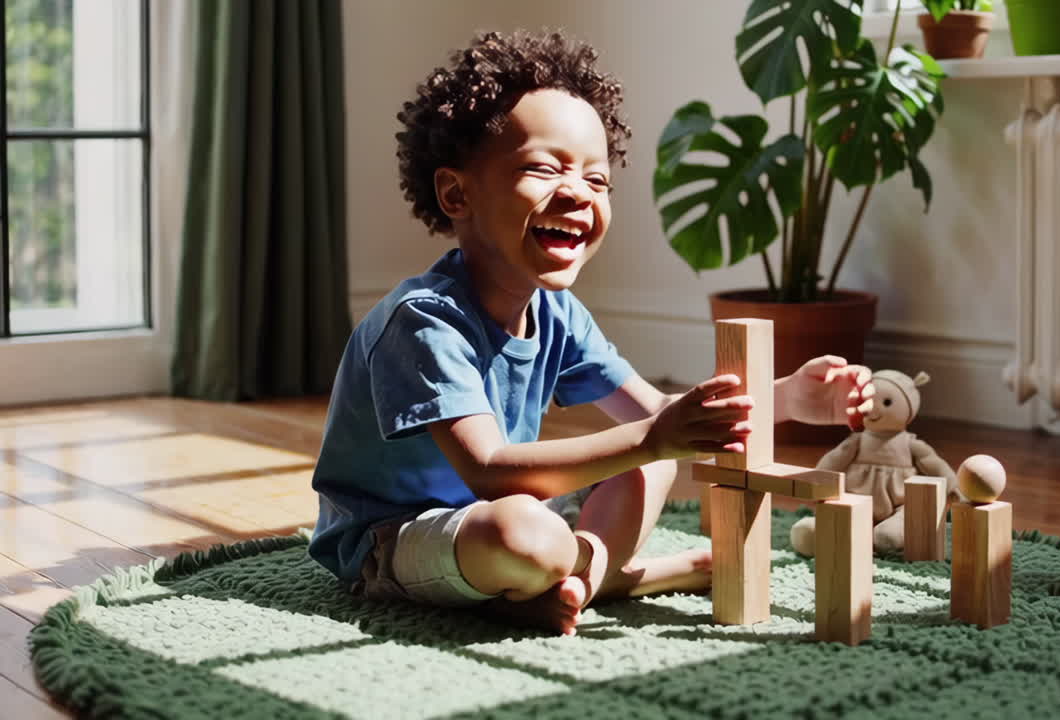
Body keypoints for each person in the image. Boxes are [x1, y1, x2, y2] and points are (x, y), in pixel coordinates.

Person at [308, 29, 873, 636]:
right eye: (544, 169)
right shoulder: (423, 321)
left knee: (646, 460)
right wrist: (655, 438)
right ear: (456, 193)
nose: (577, 192)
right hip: (394, 538)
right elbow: (490, 471)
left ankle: (574, 578)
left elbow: (659, 413)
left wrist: (788, 397)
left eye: (598, 180)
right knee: (521, 529)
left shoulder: (559, 312)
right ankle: (611, 574)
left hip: (514, 513)